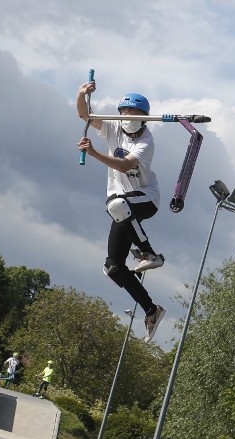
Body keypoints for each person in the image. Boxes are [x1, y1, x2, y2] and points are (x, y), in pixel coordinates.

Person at [76, 79, 167, 342]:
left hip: (145, 199)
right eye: (125, 112)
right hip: (121, 205)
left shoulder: (146, 142)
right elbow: (84, 114)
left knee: (118, 204)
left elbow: (125, 166)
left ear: (144, 118)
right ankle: (151, 309)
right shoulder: (113, 129)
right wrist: (82, 93)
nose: (128, 117)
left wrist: (93, 153)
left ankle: (149, 252)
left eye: (135, 113)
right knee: (113, 267)